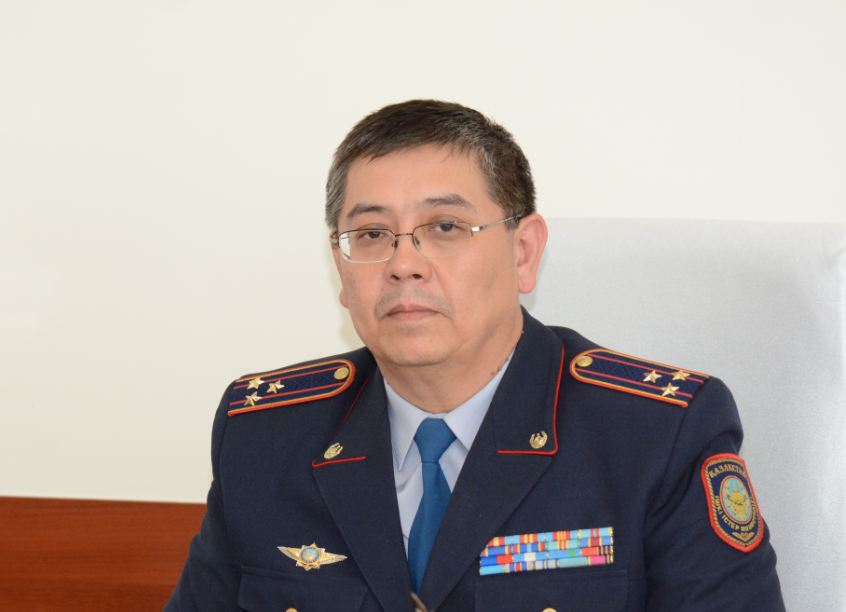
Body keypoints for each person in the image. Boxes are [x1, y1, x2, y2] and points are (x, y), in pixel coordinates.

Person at [167, 100, 784, 611]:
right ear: (341, 268)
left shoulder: (655, 436)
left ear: (523, 252)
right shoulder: (266, 434)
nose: (404, 264)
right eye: (372, 234)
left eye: (445, 227)